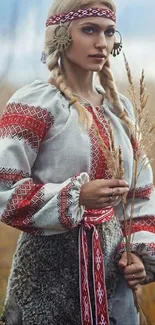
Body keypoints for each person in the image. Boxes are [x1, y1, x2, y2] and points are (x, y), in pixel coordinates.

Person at [0, 0, 155, 324]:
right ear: (61, 35)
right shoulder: (34, 102)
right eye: (89, 30)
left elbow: (141, 194)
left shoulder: (121, 109)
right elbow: (5, 188)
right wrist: (76, 195)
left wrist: (138, 254)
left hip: (113, 277)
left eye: (109, 31)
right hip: (46, 277)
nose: (102, 42)